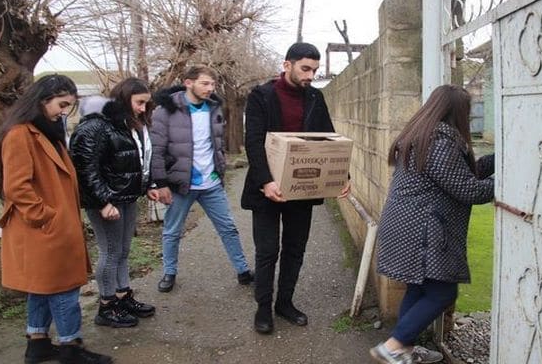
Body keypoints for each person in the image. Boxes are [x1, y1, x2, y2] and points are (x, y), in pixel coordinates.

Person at [369, 85, 495, 364]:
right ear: (456, 112)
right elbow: (469, 190)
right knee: (442, 292)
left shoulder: (424, 136)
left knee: (419, 287)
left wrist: (499, 161)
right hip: (420, 231)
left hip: (409, 227)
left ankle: (405, 350)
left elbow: (461, 174)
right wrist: (506, 179)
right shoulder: (440, 141)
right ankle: (393, 346)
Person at [0, 75, 112, 364]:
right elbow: (16, 186)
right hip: (42, 230)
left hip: (49, 228)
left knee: (42, 288)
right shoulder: (21, 134)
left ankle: (38, 343)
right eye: (61, 104)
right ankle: (71, 347)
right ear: (42, 100)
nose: (63, 112)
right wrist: (47, 218)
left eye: (69, 107)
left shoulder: (44, 131)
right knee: (63, 289)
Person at [241, 42, 350, 335]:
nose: (310, 75)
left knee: (295, 249)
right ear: (287, 64)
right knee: (267, 251)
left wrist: (341, 176)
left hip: (302, 186)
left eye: (314, 70)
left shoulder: (315, 96)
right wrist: (266, 181)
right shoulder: (261, 95)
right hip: (267, 188)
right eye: (305, 68)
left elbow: (329, 139)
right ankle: (263, 308)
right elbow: (252, 141)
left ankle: (284, 303)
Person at [150, 65, 253, 293]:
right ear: (188, 82)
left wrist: (221, 168)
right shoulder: (164, 111)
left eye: (213, 84)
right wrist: (161, 184)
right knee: (172, 231)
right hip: (179, 185)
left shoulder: (214, 108)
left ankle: (243, 271)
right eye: (205, 83)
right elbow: (156, 151)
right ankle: (169, 273)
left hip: (211, 183)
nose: (210, 88)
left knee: (228, 227)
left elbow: (216, 145)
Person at [69, 77, 158, 328]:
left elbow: (135, 159)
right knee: (110, 252)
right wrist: (102, 202)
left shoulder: (124, 124)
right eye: (139, 103)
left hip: (126, 198)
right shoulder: (96, 126)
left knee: (123, 251)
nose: (142, 108)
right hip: (107, 202)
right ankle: (106, 307)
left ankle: (122, 296)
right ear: (123, 98)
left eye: (145, 104)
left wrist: (147, 186)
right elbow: (85, 168)